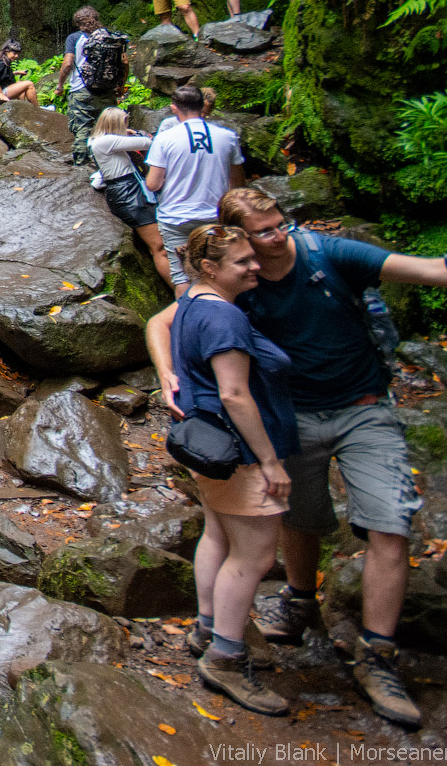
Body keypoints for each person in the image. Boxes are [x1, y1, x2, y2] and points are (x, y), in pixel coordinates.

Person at [146, 190, 447, 729]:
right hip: (290, 418)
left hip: (364, 406)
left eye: (281, 224)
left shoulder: (329, 254)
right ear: (237, 239)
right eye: (264, 231)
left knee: (390, 524)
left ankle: (377, 654)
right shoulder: (235, 281)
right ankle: (296, 602)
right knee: (296, 517)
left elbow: (433, 272)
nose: (279, 236)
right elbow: (163, 323)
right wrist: (166, 374)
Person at [169, 224, 296, 716]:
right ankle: (226, 654)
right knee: (255, 556)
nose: (255, 267)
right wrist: (269, 460)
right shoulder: (224, 320)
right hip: (239, 451)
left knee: (217, 536)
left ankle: (208, 625)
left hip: (207, 447)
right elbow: (235, 393)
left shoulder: (191, 303)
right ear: (209, 267)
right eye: (242, 261)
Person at [144, 85, 246, 288]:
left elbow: (153, 184)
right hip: (214, 216)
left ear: (174, 108)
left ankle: (188, 317)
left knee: (182, 275)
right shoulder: (227, 136)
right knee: (218, 270)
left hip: (175, 218)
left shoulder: (165, 138)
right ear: (203, 106)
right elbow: (237, 184)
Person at [90, 108, 173, 290]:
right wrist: (133, 133)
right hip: (128, 194)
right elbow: (147, 142)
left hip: (129, 189)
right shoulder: (107, 141)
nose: (128, 125)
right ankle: (179, 291)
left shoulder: (99, 140)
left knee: (162, 243)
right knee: (159, 246)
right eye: (125, 122)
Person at [54, 6, 125, 165]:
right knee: (108, 129)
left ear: (78, 22)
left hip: (82, 89)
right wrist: (121, 85)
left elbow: (67, 64)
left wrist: (60, 85)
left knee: (82, 129)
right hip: (107, 89)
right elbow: (124, 62)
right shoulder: (110, 37)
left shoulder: (75, 38)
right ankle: (110, 164)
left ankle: (81, 166)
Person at [0, 39, 38, 104]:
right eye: (14, 53)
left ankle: (21, 107)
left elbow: (1, 75)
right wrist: (0, 93)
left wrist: (17, 73)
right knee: (29, 84)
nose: (16, 56)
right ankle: (37, 110)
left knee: (21, 84)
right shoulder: (0, 62)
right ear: (7, 51)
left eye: (18, 54)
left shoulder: (3, 59)